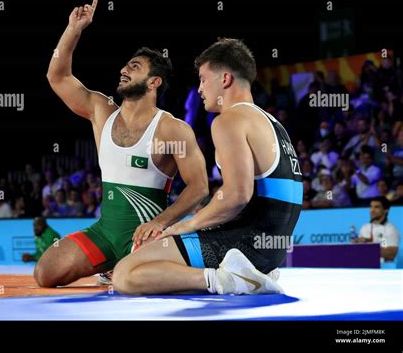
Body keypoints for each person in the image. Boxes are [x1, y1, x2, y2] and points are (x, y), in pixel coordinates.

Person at [35, 0, 208, 287]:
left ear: (154, 82)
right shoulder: (101, 110)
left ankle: (189, 271)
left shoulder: (171, 129)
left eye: (134, 66)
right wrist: (73, 29)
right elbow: (57, 76)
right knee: (46, 273)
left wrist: (160, 223)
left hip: (146, 237)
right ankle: (112, 264)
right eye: (126, 65)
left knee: (131, 285)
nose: (123, 70)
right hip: (104, 233)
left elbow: (199, 186)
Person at [112, 38, 302, 295]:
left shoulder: (229, 120)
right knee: (151, 256)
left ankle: (227, 279)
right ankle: (244, 274)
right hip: (271, 249)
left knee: (125, 274)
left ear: (224, 79)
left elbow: (237, 196)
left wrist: (185, 226)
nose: (200, 89)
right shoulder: (272, 122)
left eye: (203, 79)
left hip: (244, 245)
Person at [356, 196, 399, 262]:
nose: (372, 210)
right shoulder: (365, 227)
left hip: (381, 269)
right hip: (363, 267)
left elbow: (391, 254)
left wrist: (366, 249)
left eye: (376, 207)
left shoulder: (390, 230)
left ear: (386, 210)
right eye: (371, 207)